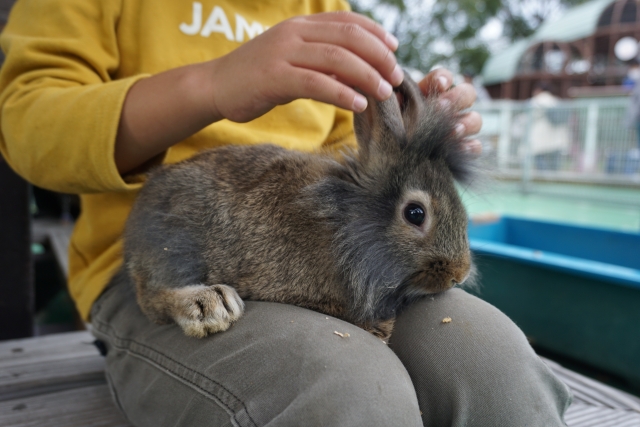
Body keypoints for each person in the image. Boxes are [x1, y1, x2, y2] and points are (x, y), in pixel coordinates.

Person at [0, 1, 571, 425]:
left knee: (498, 369)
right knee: (349, 393)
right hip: (160, 270)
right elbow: (25, 122)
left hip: (354, 260)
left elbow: (345, 168)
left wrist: (418, 133)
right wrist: (210, 84)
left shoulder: (320, 5)